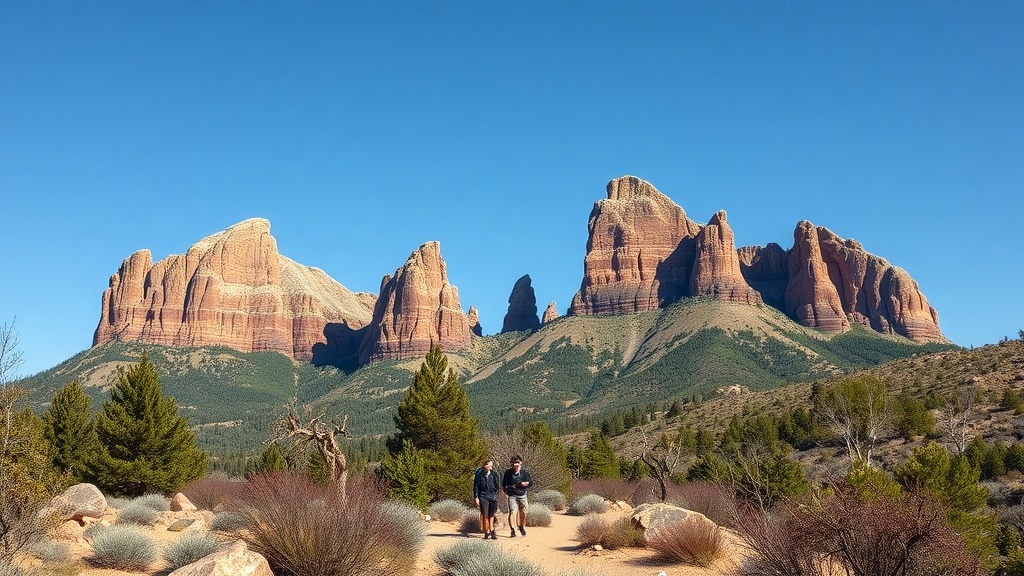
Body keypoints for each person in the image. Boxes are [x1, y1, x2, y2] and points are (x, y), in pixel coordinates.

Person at [502, 455, 533, 537]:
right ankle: (512, 530)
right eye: (513, 463)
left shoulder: (524, 472)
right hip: (512, 495)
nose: (515, 465)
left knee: (523, 512)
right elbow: (504, 484)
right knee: (512, 511)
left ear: (521, 463)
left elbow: (530, 483)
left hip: (522, 495)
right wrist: (506, 490)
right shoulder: (508, 472)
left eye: (517, 463)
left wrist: (525, 484)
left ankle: (521, 526)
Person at [473, 458, 500, 539]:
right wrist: (476, 497)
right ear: (484, 466)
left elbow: (497, 485)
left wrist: (496, 493)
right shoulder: (479, 475)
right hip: (483, 495)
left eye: (490, 465)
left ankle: (492, 530)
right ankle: (487, 531)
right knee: (485, 514)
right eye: (487, 464)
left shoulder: (494, 474)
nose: (488, 466)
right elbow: (476, 486)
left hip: (492, 495)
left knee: (491, 514)